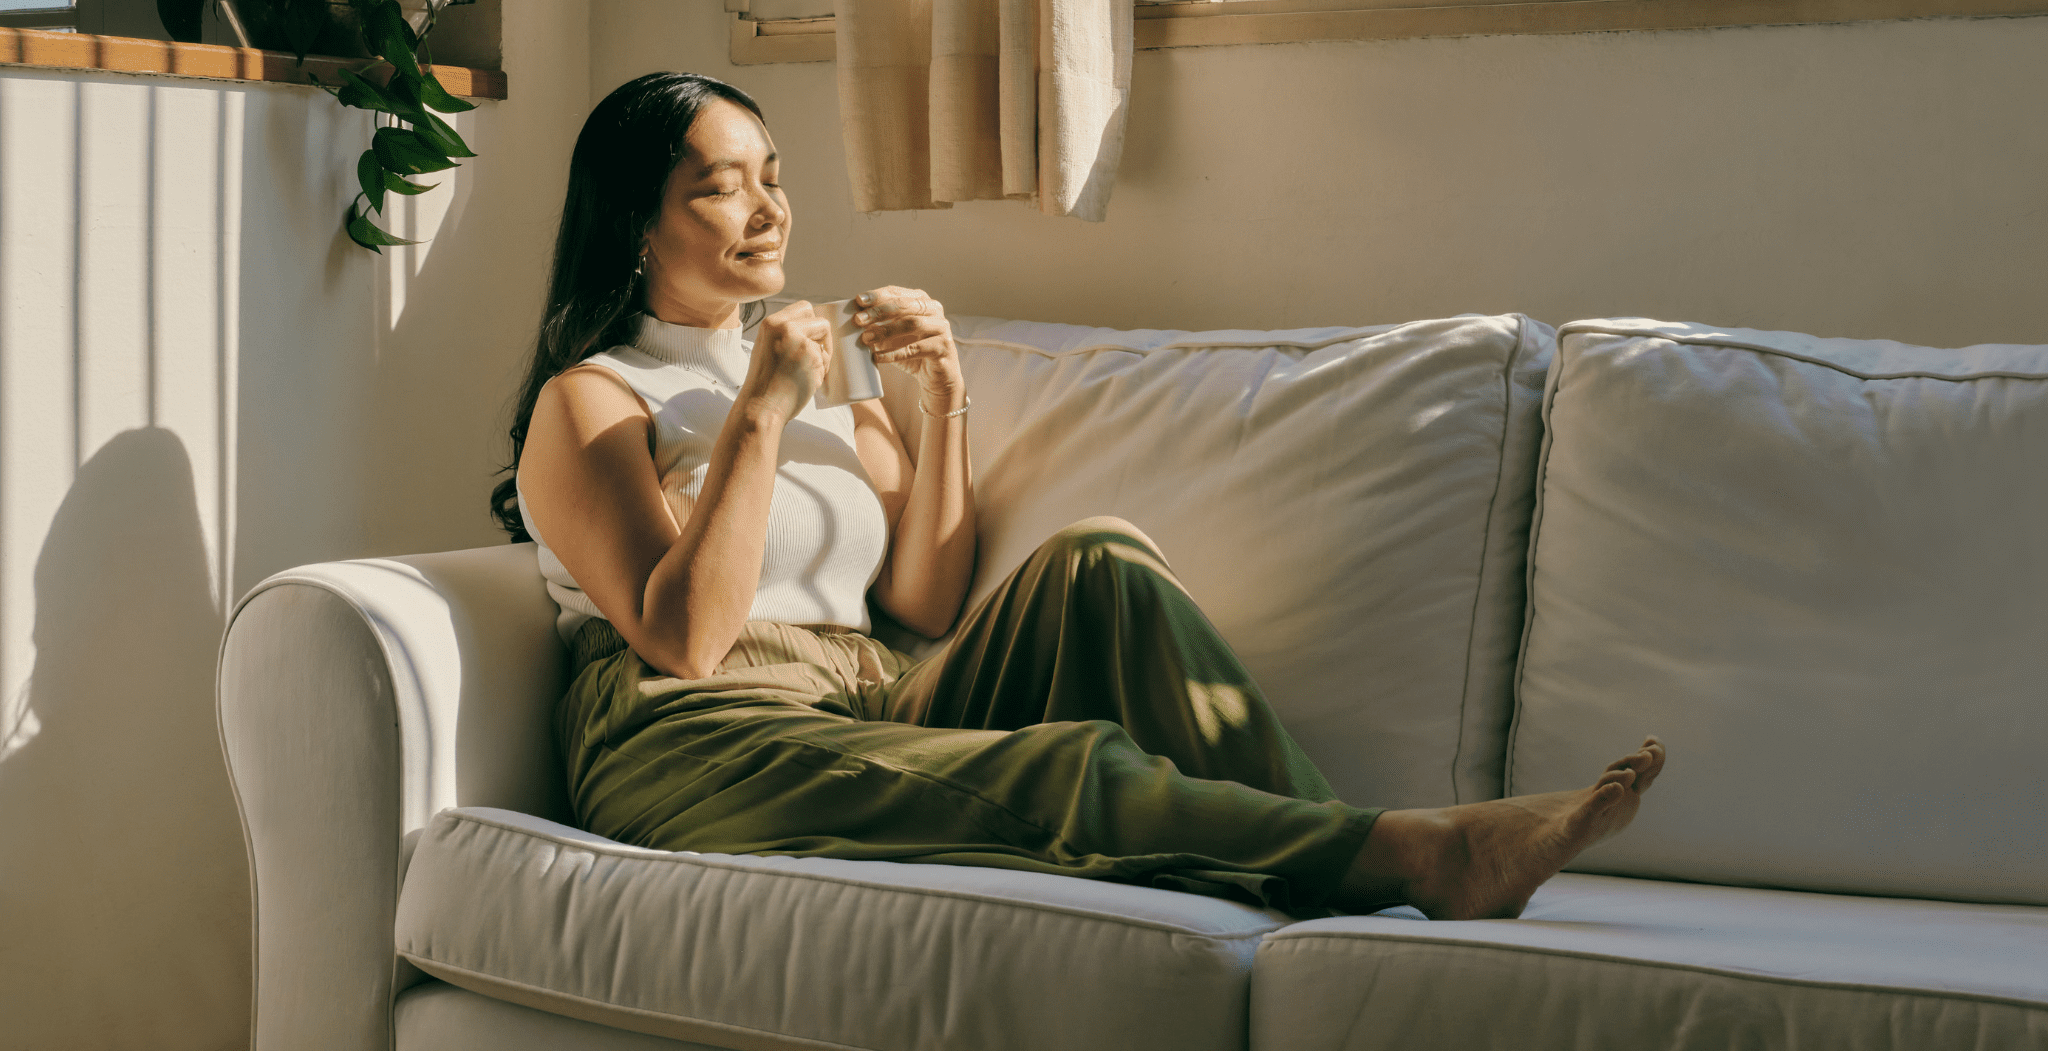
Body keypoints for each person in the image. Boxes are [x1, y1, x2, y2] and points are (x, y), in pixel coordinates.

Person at [492, 71, 1666, 922]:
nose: (767, 210)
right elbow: (684, 638)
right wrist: (757, 410)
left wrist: (939, 391)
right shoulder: (593, 399)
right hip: (694, 736)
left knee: (1098, 558)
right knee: (1059, 764)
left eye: (773, 179)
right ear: (637, 226)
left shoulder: (815, 359)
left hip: (870, 688)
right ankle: (1417, 859)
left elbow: (925, 594)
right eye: (718, 188)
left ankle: (1350, 874)